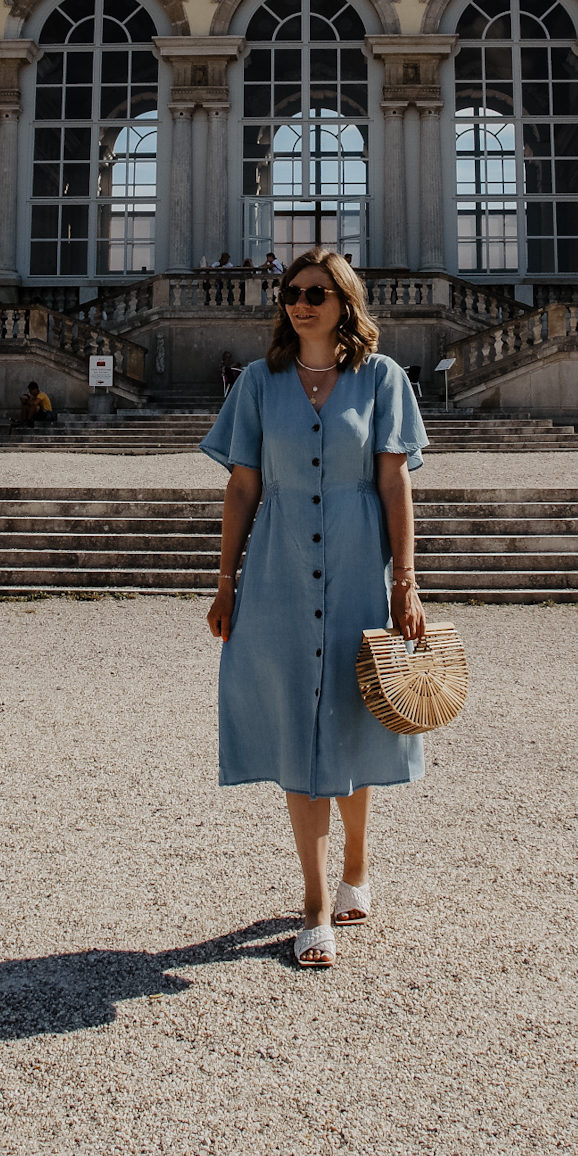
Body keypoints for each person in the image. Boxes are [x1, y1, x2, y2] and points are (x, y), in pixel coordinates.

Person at [201, 246, 428, 970]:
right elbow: (241, 489)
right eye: (291, 292)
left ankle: (356, 869)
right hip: (277, 572)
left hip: (361, 565)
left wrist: (406, 581)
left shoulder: (382, 380)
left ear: (344, 303)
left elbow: (395, 484)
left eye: (317, 293)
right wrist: (225, 580)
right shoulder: (259, 385)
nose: (301, 303)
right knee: (299, 733)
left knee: (353, 722)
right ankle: (313, 904)